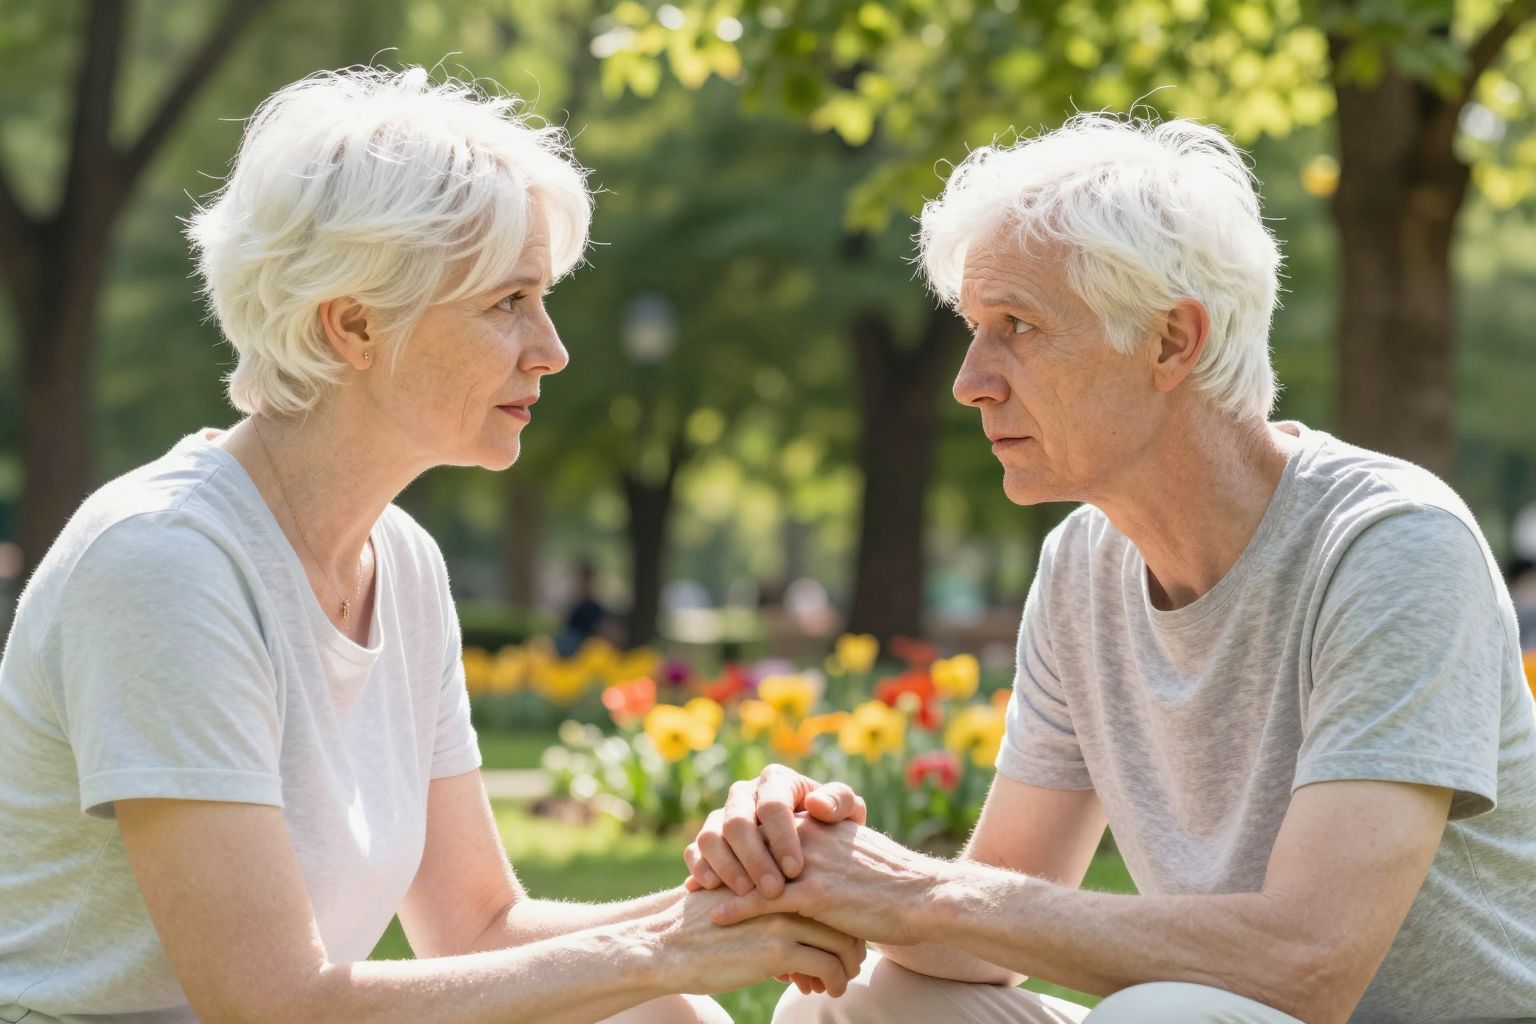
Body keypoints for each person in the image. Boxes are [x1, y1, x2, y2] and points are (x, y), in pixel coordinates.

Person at [0, 67, 864, 1024]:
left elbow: (477, 925)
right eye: (509, 301)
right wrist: (661, 951)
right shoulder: (162, 565)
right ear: (355, 326)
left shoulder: (401, 561)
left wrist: (766, 896)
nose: (551, 348)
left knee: (664, 1014)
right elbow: (269, 1006)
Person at [683, 114, 1536, 1024]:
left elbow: (1307, 966)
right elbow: (985, 924)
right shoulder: (1083, 563)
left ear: (1173, 341)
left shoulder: (1392, 545)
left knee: (1160, 1017)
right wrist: (811, 860)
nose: (971, 379)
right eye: (976, 328)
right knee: (852, 1008)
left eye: (1017, 326)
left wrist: (907, 891)